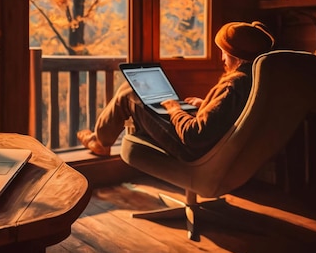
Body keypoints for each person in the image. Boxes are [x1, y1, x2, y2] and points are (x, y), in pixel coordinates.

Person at [77, 21, 275, 161]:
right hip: (214, 147)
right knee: (132, 88)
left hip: (192, 150)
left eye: (224, 52)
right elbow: (224, 115)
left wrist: (174, 110)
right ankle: (101, 137)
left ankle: (100, 141)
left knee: (130, 93)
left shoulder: (233, 84)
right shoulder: (254, 79)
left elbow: (194, 136)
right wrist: (204, 105)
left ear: (235, 55)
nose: (222, 58)